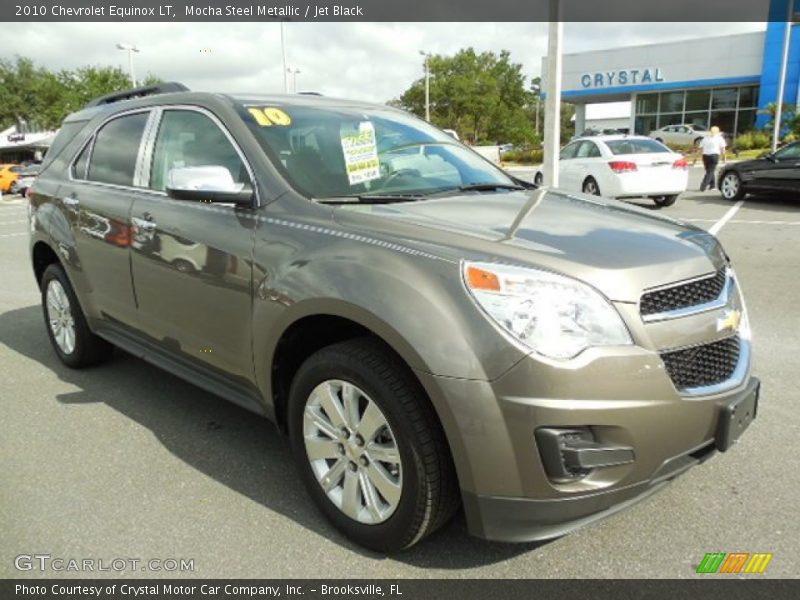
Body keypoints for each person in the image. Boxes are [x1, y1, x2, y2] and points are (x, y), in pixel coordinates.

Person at [695, 125, 727, 191]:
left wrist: (695, 158)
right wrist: (724, 158)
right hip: (714, 156)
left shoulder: (705, 138)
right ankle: (703, 186)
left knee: (709, 171)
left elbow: (700, 149)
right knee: (710, 171)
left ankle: (712, 185)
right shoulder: (719, 138)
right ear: (718, 132)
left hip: (705, 156)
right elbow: (723, 149)